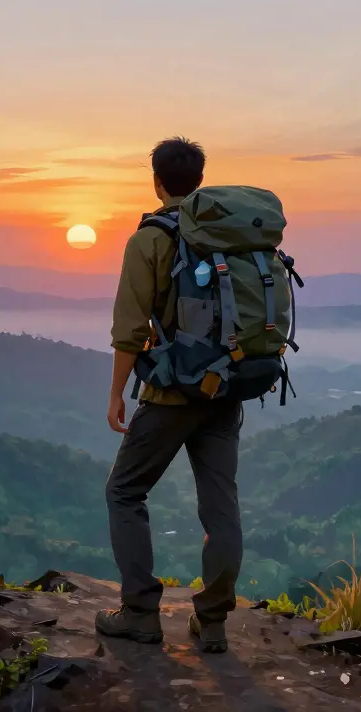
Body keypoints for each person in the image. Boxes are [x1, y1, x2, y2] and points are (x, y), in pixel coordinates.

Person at [96, 137, 242, 654]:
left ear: (156, 180)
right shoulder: (229, 236)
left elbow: (129, 329)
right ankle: (215, 621)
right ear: (199, 179)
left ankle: (139, 613)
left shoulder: (151, 239)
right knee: (221, 507)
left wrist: (116, 393)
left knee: (125, 492)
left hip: (173, 393)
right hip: (226, 390)